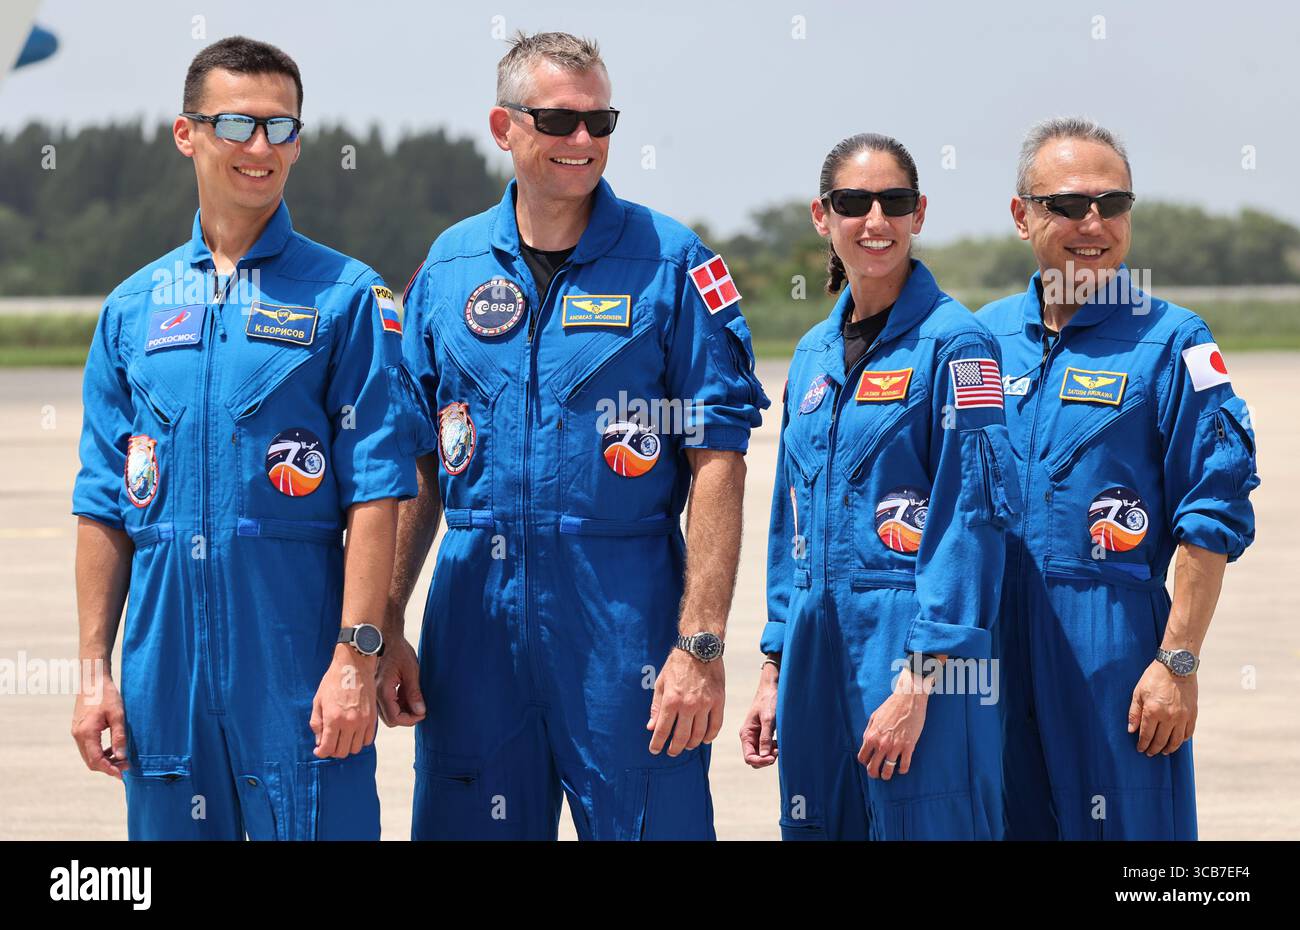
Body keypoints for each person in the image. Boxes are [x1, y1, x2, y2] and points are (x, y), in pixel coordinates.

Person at [381, 31, 768, 840]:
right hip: (475, 620)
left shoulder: (671, 264)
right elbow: (415, 456)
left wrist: (698, 645)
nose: (584, 142)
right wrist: (385, 618)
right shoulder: (448, 270)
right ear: (504, 127)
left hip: (622, 620)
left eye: (602, 121)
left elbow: (718, 462)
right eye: (559, 121)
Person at [70, 36, 426, 840]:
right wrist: (96, 674)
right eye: (237, 124)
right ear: (186, 133)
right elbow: (101, 501)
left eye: (283, 128)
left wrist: (355, 656)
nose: (261, 149)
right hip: (163, 674)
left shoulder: (347, 298)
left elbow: (378, 488)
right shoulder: (132, 309)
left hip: (296, 666)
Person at [977, 118, 1259, 839]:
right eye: (1067, 206)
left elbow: (1212, 513)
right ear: (1022, 216)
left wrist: (1178, 660)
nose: (1093, 223)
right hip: (987, 648)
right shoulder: (980, 338)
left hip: (1113, 641)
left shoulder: (1175, 342)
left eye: (1113, 203)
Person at [739, 133, 1020, 840]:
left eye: (894, 202)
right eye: (852, 202)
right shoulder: (811, 355)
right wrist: (775, 664)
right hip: (814, 645)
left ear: (918, 213)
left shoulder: (957, 346)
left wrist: (919, 681)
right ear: (821, 215)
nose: (875, 220)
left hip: (914, 648)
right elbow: (790, 520)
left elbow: (972, 519)